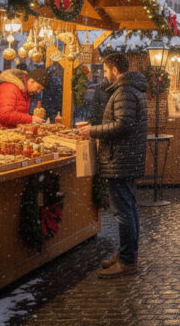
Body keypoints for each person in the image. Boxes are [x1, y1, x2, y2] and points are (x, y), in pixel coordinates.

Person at [78, 53, 147, 278]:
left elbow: (123, 125)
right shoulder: (130, 89)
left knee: (123, 211)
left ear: (115, 70)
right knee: (129, 208)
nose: (105, 75)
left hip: (121, 158)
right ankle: (128, 254)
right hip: (126, 157)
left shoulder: (124, 91)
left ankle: (127, 261)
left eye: (106, 71)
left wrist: (92, 130)